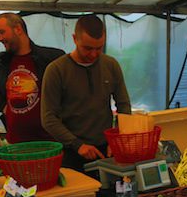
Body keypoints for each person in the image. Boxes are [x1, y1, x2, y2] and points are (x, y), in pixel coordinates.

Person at [41, 14, 131, 171]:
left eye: (99, 48)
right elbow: (48, 118)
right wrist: (78, 145)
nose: (94, 54)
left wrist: (117, 138)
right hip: (71, 152)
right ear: (75, 39)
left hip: (106, 150)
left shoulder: (111, 65)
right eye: (88, 48)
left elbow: (123, 105)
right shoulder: (56, 70)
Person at [0, 13, 64, 143]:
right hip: (16, 141)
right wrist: (2, 106)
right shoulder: (0, 61)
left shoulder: (51, 58)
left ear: (18, 29)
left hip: (49, 140)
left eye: (2, 32)